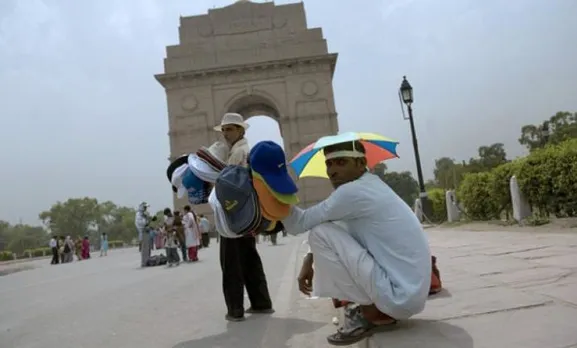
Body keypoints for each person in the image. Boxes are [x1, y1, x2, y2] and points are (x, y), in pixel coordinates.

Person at [283, 140, 433, 346]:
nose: (332, 171)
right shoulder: (369, 186)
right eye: (329, 164)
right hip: (410, 294)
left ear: (361, 163)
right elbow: (337, 224)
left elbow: (297, 224)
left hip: (398, 297)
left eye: (341, 162)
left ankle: (365, 310)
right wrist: (309, 259)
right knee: (324, 232)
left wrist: (273, 190)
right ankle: (374, 307)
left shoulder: (351, 193)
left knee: (319, 233)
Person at [213, 112, 273, 322]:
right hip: (248, 214)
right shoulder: (241, 150)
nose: (225, 133)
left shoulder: (239, 153)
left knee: (230, 262)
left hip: (234, 215)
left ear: (240, 130)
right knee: (249, 259)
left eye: (230, 129)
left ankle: (235, 309)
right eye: (224, 129)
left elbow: (228, 184)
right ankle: (261, 302)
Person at [135, 202, 152, 267]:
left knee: (148, 248)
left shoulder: (144, 214)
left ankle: (148, 261)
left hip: (147, 232)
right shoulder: (138, 214)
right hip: (143, 232)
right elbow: (140, 223)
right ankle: (144, 262)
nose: (146, 208)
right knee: (144, 248)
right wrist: (146, 220)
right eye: (145, 207)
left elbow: (148, 221)